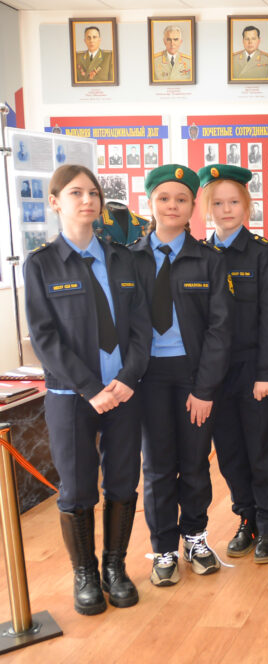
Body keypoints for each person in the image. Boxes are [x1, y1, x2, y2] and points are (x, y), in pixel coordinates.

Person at [25, 165, 151, 615]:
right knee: (77, 488)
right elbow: (44, 337)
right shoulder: (42, 263)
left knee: (123, 480)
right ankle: (85, 574)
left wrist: (128, 378)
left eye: (93, 193)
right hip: (72, 397)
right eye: (76, 193)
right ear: (55, 202)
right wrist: (90, 388)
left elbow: (141, 329)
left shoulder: (123, 258)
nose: (88, 200)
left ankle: (115, 567)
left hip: (124, 393)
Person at [130, 164, 232, 586]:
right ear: (150, 203)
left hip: (193, 375)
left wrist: (205, 388)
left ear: (193, 207)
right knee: (157, 465)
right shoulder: (128, 259)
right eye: (164, 198)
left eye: (181, 199)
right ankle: (164, 549)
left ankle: (195, 537)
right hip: (147, 376)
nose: (172, 206)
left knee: (193, 461)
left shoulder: (208, 260)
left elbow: (220, 329)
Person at [199, 164, 268, 564]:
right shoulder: (200, 254)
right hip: (216, 373)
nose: (226, 210)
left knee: (262, 448)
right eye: (218, 203)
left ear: (246, 205)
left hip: (254, 369)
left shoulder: (261, 252)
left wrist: (267, 371)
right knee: (230, 450)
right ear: (207, 208)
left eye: (233, 202)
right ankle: (246, 517)